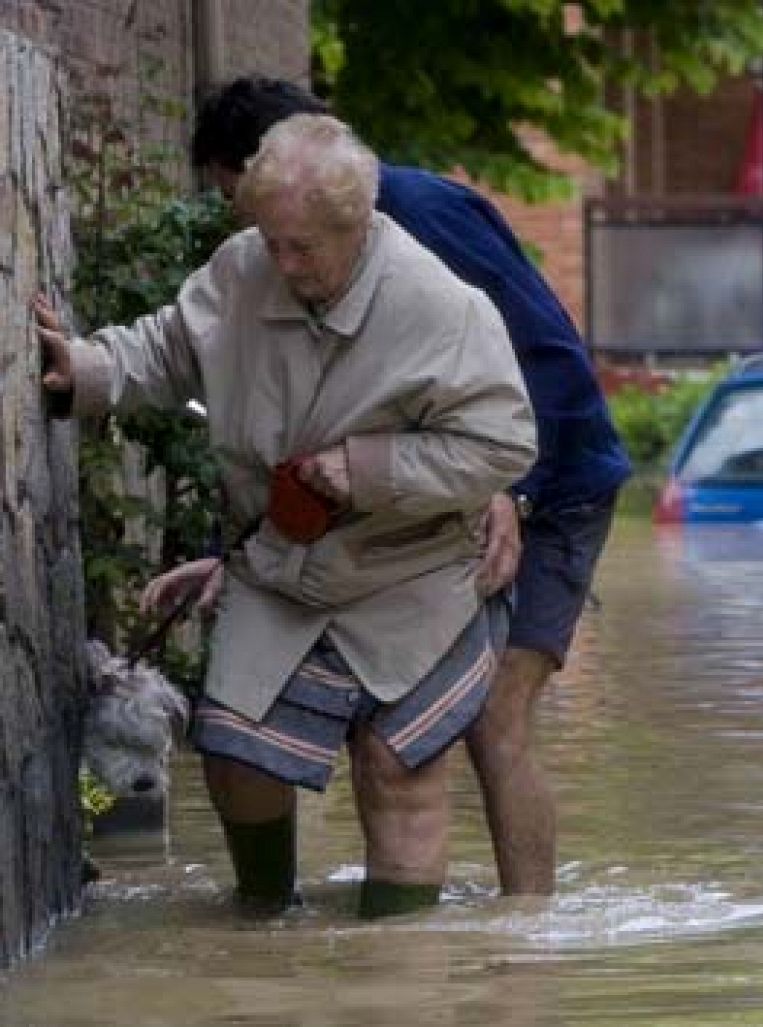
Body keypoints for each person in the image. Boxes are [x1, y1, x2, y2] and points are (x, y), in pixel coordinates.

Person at [35, 114, 539, 917]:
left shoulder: (445, 309)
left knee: (395, 766)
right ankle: (265, 921)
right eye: (270, 239)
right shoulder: (245, 268)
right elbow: (168, 348)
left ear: (360, 226)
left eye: (301, 247)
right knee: (235, 754)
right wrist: (87, 369)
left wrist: (367, 469)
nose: (282, 262)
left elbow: (504, 445)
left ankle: (394, 973)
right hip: (280, 563)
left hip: (410, 573)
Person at [158, 76, 632, 896]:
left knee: (490, 716)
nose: (244, 225)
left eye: (238, 193)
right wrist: (229, 554)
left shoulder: (418, 220)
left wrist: (513, 495)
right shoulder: (289, 263)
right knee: (406, 728)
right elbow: (280, 433)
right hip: (426, 496)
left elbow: (547, 360)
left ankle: (529, 949)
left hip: (554, 483)